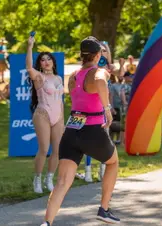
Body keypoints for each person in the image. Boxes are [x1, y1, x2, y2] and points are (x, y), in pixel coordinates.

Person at [40, 36, 119, 226]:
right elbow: (99, 81)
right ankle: (104, 209)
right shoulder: (99, 73)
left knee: (62, 182)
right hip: (92, 130)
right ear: (98, 55)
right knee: (113, 162)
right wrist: (107, 109)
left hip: (72, 130)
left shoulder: (73, 76)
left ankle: (47, 223)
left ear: (81, 55)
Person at [81, 42, 124, 183]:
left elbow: (120, 74)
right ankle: (87, 170)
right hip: (90, 107)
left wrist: (121, 64)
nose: (103, 52)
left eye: (106, 50)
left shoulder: (108, 67)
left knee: (103, 140)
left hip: (103, 106)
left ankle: (102, 170)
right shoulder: (92, 68)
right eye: (101, 50)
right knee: (87, 139)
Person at [26, 36, 64, 194]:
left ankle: (50, 179)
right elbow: (28, 68)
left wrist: (62, 116)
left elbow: (60, 99)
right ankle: (37, 179)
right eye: (43, 60)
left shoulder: (59, 78)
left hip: (58, 116)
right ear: (40, 63)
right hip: (42, 114)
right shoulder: (39, 77)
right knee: (43, 148)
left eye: (49, 59)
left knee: (57, 150)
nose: (46, 61)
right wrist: (30, 46)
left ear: (54, 62)